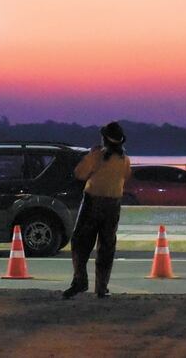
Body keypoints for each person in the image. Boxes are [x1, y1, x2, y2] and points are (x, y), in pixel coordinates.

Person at [63, 121, 131, 299]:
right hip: (114, 204)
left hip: (93, 201)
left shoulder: (97, 156)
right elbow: (126, 176)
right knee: (107, 245)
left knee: (80, 242)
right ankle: (101, 287)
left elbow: (79, 173)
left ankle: (80, 280)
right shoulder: (125, 159)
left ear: (104, 139)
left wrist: (90, 155)